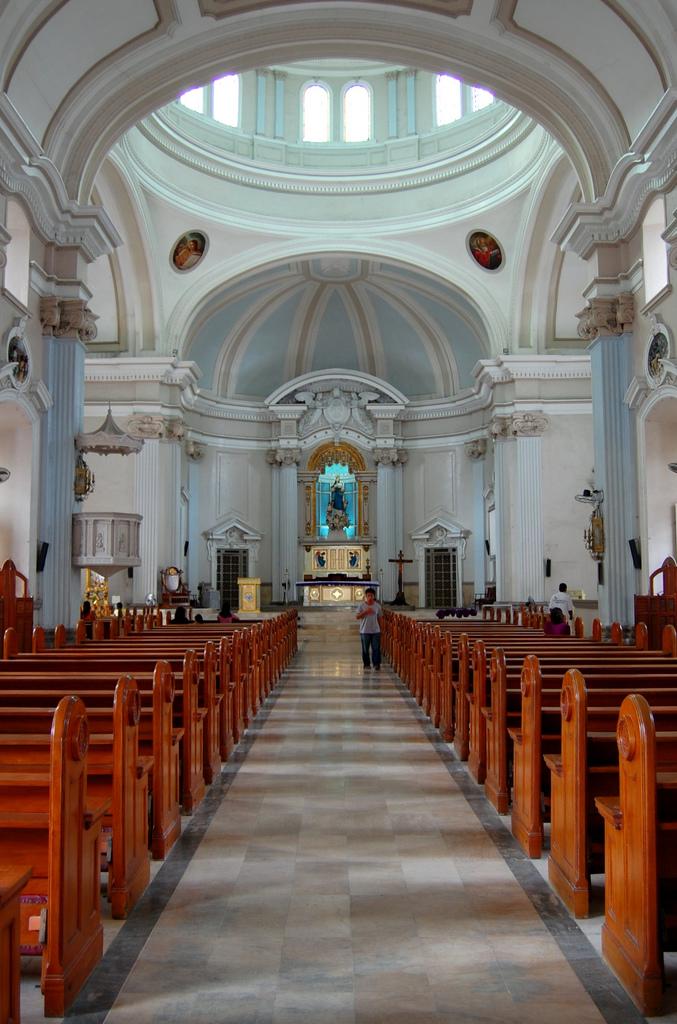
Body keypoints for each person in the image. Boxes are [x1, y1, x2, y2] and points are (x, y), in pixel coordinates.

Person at [356, 586, 382, 670]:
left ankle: (376, 664)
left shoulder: (377, 606)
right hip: (364, 630)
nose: (370, 597)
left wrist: (380, 628)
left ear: (374, 596)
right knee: (365, 649)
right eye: (368, 596)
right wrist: (366, 612)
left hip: (375, 631)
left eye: (371, 595)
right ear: (365, 596)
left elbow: (380, 618)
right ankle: (366, 664)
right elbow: (357, 617)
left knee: (376, 648)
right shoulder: (361, 606)